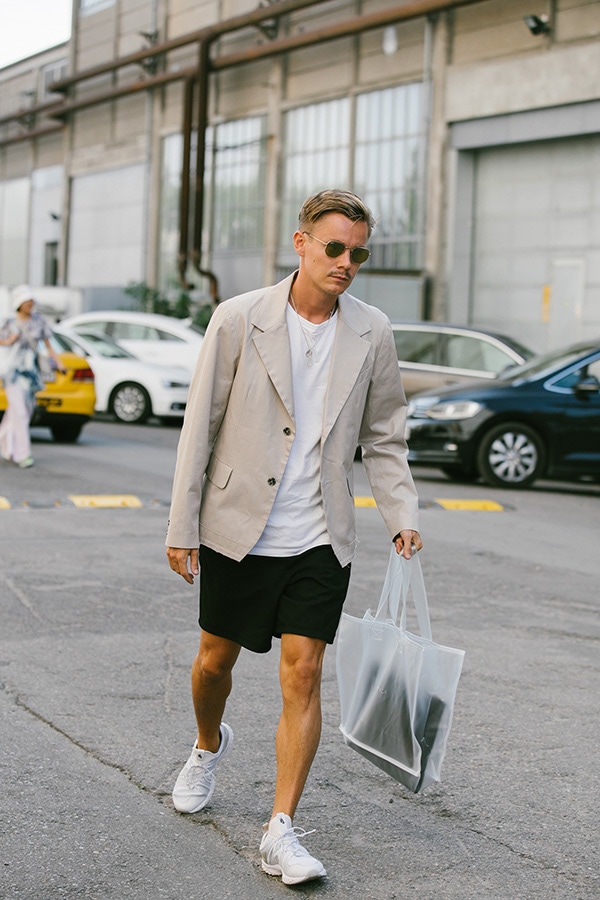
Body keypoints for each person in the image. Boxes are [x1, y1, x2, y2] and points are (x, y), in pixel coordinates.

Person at [166, 189, 422, 886]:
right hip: (238, 525)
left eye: (358, 252)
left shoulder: (372, 332)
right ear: (301, 242)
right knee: (214, 663)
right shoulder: (239, 318)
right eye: (334, 247)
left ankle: (281, 828)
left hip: (320, 534)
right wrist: (182, 524)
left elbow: (385, 434)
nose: (346, 262)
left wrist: (401, 515)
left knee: (303, 671)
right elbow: (201, 428)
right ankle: (206, 744)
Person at [0, 284, 64, 468]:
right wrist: (8, 341)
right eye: (27, 302)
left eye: (31, 302)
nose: (30, 305)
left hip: (31, 371)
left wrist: (58, 363)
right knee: (19, 412)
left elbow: (49, 345)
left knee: (22, 411)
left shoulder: (39, 321)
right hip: (13, 371)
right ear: (19, 303)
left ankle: (4, 443)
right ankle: (23, 454)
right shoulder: (9, 322)